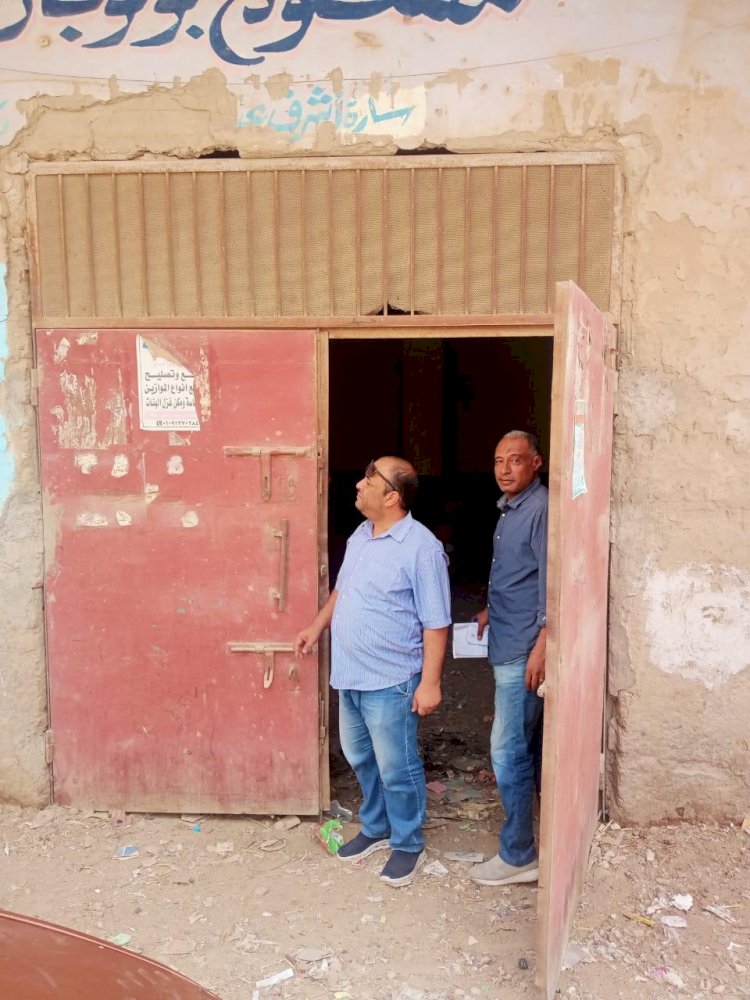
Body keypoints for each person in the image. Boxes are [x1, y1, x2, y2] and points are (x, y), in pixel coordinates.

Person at [295, 457, 451, 888]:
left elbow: (436, 622)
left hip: (392, 679)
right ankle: (377, 826)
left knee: (397, 766)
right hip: (351, 674)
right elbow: (342, 590)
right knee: (361, 757)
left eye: (370, 477)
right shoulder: (362, 535)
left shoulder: (421, 548)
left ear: (393, 496)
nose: (360, 484)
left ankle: (408, 842)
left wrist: (430, 682)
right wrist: (317, 625)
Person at [469, 431, 548, 887]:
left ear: (536, 463)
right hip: (509, 636)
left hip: (523, 649)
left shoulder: (540, 509)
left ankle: (518, 853)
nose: (504, 469)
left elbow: (551, 581)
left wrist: (544, 643)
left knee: (507, 748)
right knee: (524, 744)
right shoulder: (511, 508)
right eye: (499, 460)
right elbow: (520, 575)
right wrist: (490, 608)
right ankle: (533, 838)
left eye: (515, 460)